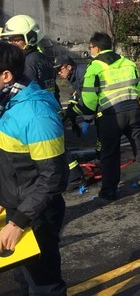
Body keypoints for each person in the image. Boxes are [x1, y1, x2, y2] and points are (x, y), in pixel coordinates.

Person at [0, 42, 69, 295]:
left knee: (45, 284)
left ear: (6, 76)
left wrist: (18, 222)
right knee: (25, 276)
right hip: (19, 207)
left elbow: (54, 177)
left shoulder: (35, 114)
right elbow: (14, 163)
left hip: (35, 215)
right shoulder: (9, 103)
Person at [66, 32, 140, 200]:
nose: (90, 51)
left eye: (90, 48)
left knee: (110, 154)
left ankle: (109, 191)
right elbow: (138, 88)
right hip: (133, 111)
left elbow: (89, 98)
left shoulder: (94, 67)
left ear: (96, 47)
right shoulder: (128, 63)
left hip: (111, 116)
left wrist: (88, 117)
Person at [1, 14, 58, 100]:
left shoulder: (28, 62)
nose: (11, 44)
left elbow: (24, 93)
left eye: (16, 40)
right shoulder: (41, 57)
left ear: (31, 38)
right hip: (49, 104)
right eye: (9, 40)